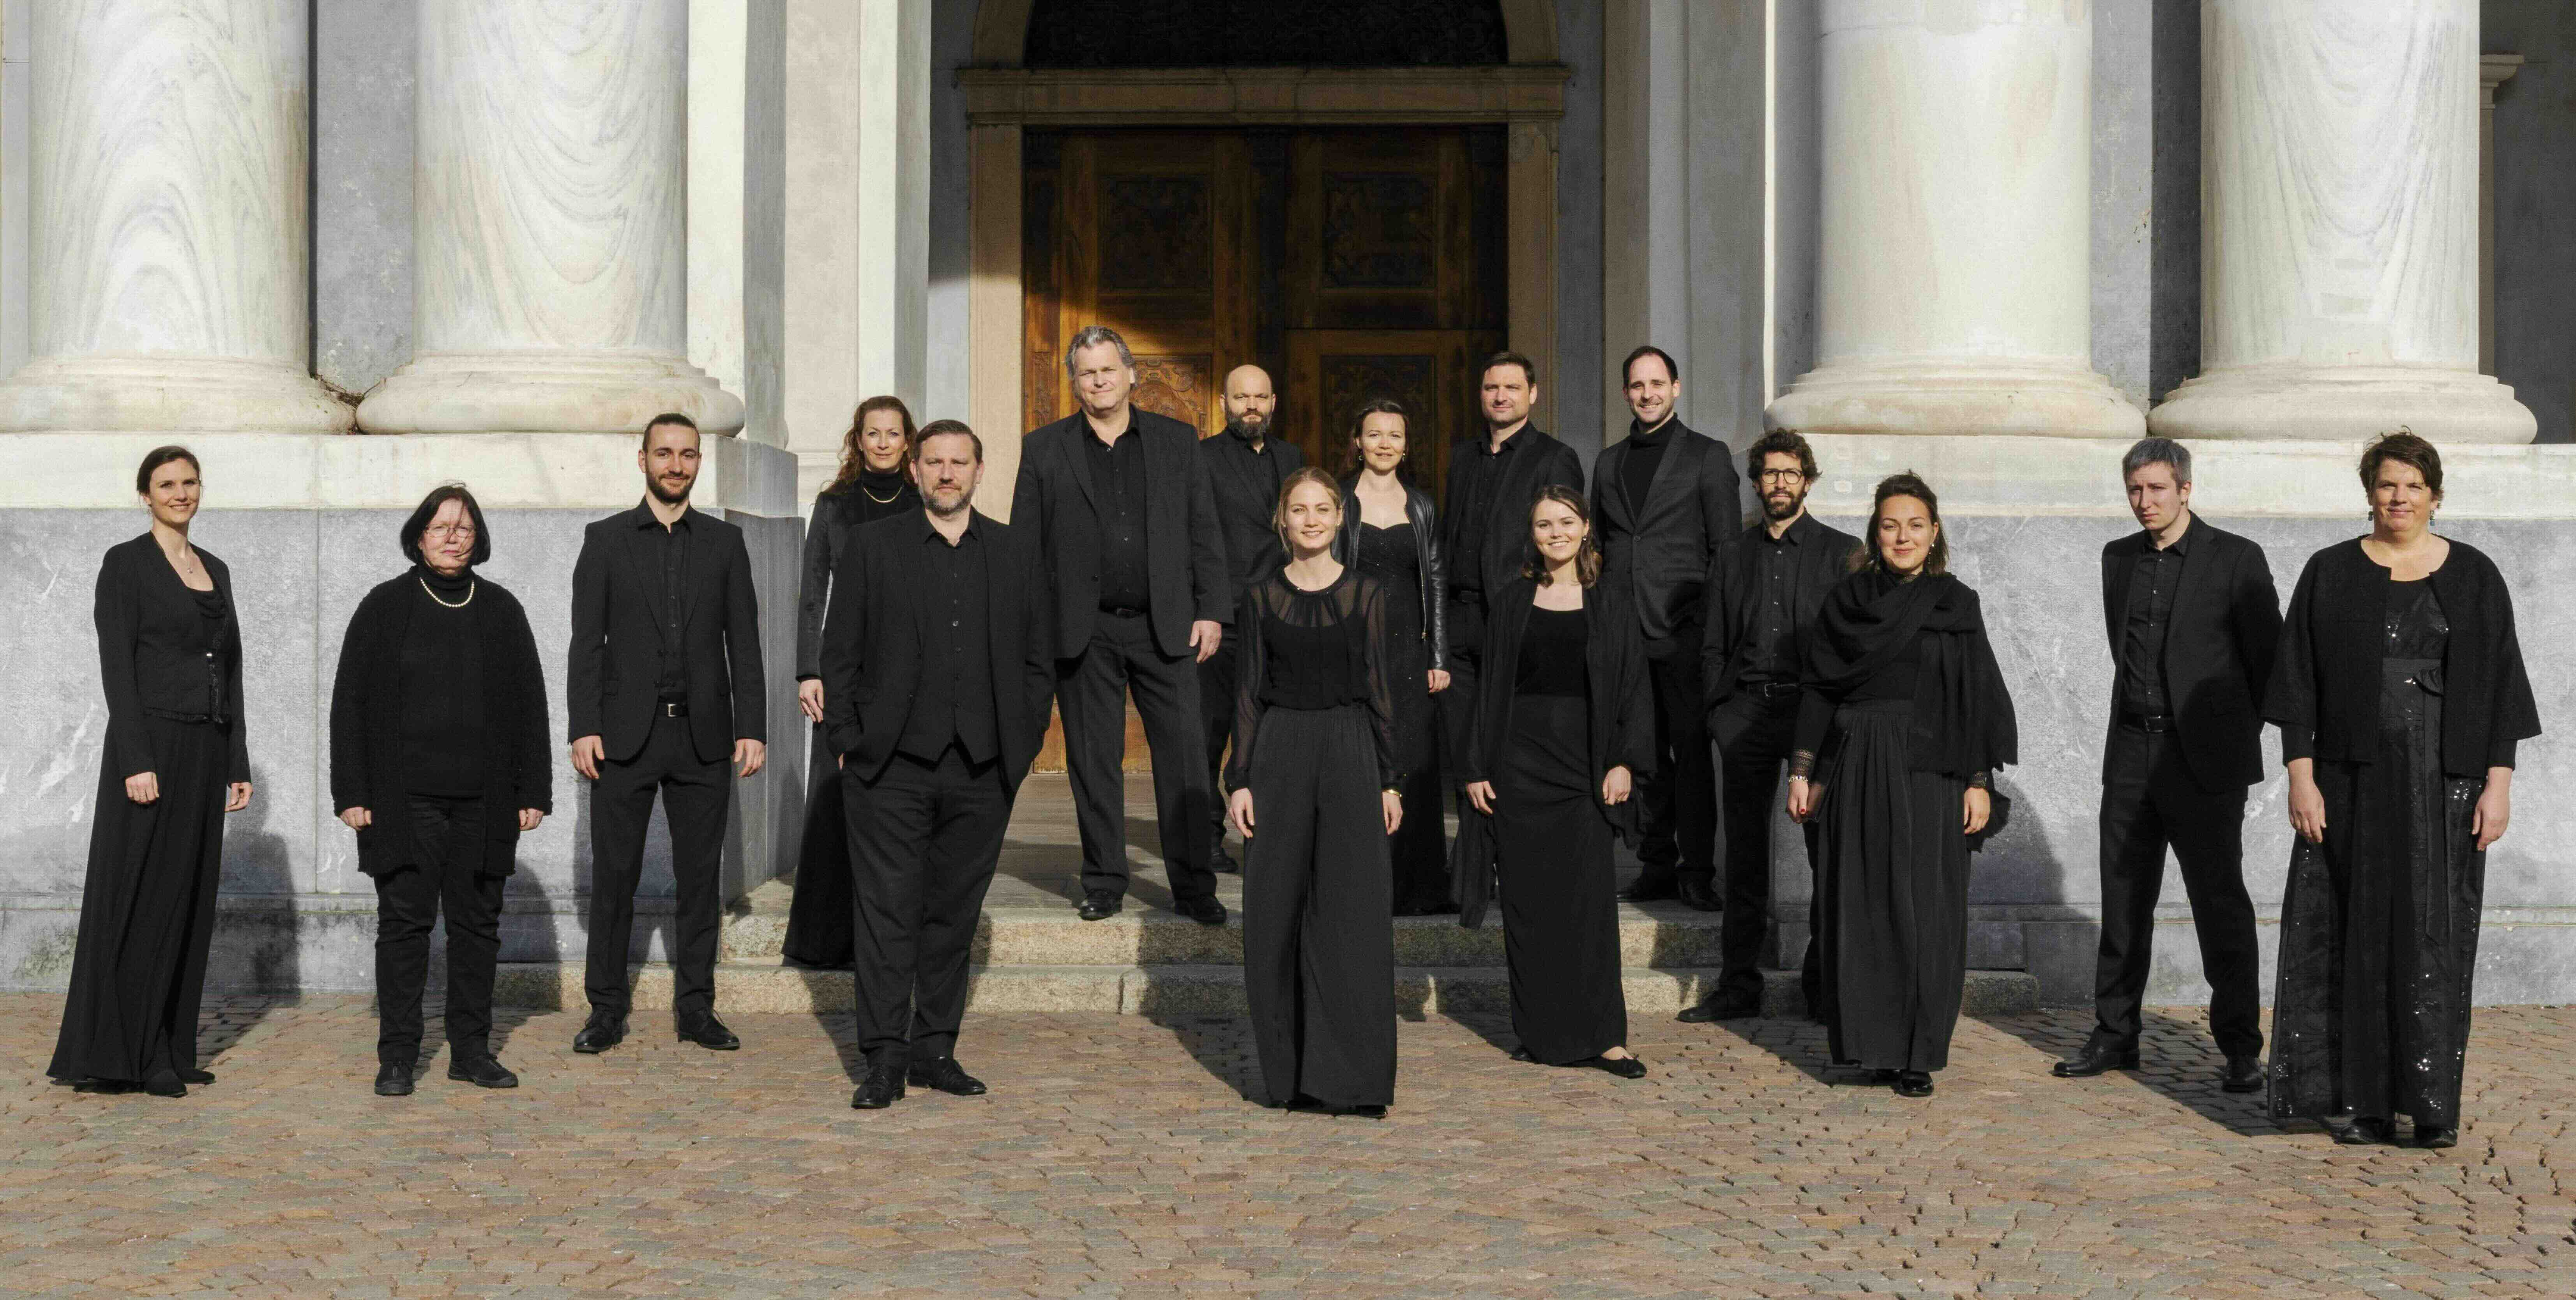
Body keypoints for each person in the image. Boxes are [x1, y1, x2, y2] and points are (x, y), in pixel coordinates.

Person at [2266, 432, 2537, 1150]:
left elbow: (2501, 689)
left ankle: (2433, 1103)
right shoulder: (2329, 572)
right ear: (2369, 494)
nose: (2399, 498)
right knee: (2355, 931)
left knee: (2435, 935)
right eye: (2388, 485)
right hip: (2350, 780)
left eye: (2413, 486)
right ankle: (2362, 1103)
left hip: (2447, 784)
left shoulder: (2475, 575)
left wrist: (2498, 786)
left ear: (2436, 495)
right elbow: (2298, 687)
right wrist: (2302, 778)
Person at [822, 421, 1053, 1111]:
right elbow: (840, 653)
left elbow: (1038, 660)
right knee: (887, 912)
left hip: (983, 769)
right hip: (888, 766)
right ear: (916, 472)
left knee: (953, 915)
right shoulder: (870, 546)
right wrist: (849, 740)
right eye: (935, 463)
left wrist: (1024, 742)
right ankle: (885, 1058)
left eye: (960, 463)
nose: (947, 474)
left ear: (981, 472)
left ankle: (936, 1049)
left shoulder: (1015, 552)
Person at [2053, 438, 2276, 1092]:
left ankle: (2240, 1047)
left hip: (2203, 760)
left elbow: (2270, 665)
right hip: (2129, 750)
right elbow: (2120, 648)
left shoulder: (2236, 558)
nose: (2144, 502)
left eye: (2156, 489)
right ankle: (2115, 1034)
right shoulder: (2117, 559)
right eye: (2134, 491)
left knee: (2219, 904)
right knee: (2123, 900)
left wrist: (2228, 739)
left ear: (2185, 489)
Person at [1788, 473, 2016, 1099]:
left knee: (1925, 909)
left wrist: (1977, 781)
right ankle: (1868, 1044)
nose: (1902, 536)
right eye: (1890, 525)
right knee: (1861, 903)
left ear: (1934, 532)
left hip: (1931, 767)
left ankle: (1916, 1052)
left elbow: (1973, 698)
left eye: (1915, 524)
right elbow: (1818, 688)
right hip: (1857, 762)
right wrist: (1802, 768)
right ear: (1874, 532)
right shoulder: (1845, 601)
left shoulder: (1955, 601)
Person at [329, 485, 553, 1097]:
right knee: (404, 925)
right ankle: (398, 1054)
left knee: (477, 927)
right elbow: (350, 701)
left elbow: (531, 703)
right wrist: (351, 790)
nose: (453, 536)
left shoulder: (502, 609)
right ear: (419, 535)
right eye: (440, 526)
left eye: (465, 527)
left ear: (477, 538)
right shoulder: (384, 606)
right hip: (406, 801)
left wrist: (533, 789)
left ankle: (472, 1050)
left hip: (484, 800)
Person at [48, 447, 253, 1099]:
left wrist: (236, 758)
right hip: (151, 748)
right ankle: (124, 1055)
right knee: (143, 895)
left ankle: (170, 1045)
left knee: (190, 895)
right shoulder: (126, 564)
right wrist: (136, 759)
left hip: (205, 747)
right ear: (145, 495)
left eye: (190, 482)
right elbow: (118, 667)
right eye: (167, 484)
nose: (181, 493)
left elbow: (232, 669)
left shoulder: (213, 568)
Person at [1011, 325, 1232, 925]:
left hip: (1169, 627)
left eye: (1109, 369)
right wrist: (1030, 630)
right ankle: (1104, 880)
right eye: (1087, 372)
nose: (1099, 380)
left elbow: (1203, 529)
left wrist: (1212, 608)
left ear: (1132, 374)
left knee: (1186, 758)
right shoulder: (1044, 448)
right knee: (1091, 758)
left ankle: (1194, 885)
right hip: (1083, 631)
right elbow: (1026, 549)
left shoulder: (1178, 440)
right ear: (1073, 382)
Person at [566, 413, 769, 1055]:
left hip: (704, 736)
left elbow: (747, 645)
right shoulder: (604, 541)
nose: (675, 465)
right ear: (643, 459)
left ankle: (697, 1010)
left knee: (700, 878)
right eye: (664, 454)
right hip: (625, 737)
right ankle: (605, 1010)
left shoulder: (724, 544)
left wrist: (754, 728)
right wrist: (583, 727)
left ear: (699, 462)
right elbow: (585, 646)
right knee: (616, 877)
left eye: (686, 455)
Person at [1458, 487, 1655, 1079]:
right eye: (1543, 524)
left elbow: (1633, 688)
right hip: (1519, 766)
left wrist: (1624, 760)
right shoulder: (1513, 598)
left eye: (1565, 522)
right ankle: (1541, 1032)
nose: (1554, 533)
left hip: (1584, 769)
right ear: (1532, 534)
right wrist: (1474, 766)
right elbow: (1490, 687)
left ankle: (1606, 1037)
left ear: (1585, 527)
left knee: (1588, 903)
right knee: (1528, 903)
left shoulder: (1611, 600)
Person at [1228, 469, 1405, 1115]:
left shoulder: (1368, 593)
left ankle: (1355, 1081)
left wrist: (1391, 777)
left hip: (1351, 750)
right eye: (1298, 510)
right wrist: (1239, 779)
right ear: (1283, 519)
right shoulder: (1258, 596)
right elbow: (1247, 692)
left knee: (1352, 910)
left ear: (1339, 518)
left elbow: (1382, 687)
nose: (1310, 519)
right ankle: (1293, 1077)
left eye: (1322, 509)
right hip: (1278, 753)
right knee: (1276, 912)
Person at [1680, 430, 1863, 1024]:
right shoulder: (1732, 554)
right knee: (1745, 859)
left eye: (1790, 472)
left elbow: (1852, 646)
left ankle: (1823, 985)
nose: (1779, 482)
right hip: (1746, 716)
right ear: (1756, 483)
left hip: (1816, 714)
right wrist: (1719, 716)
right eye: (1769, 473)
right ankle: (1738, 986)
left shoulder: (1843, 552)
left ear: (1807, 480)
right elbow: (1712, 645)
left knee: (1824, 853)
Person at [1591, 345, 1740, 910]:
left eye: (1657, 383)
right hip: (1624, 632)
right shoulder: (1607, 463)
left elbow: (1726, 553)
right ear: (1625, 392)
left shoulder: (1707, 456)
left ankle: (1697, 868)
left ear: (1676, 388)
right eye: (1636, 385)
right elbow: (1603, 545)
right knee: (1641, 752)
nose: (1647, 393)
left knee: (1691, 757)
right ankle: (1655, 862)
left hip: (1685, 633)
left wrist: (1712, 632)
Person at [783, 396, 921, 969]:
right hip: (843, 669)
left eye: (894, 433)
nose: (884, 442)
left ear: (908, 439)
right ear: (858, 440)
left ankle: (896, 940)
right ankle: (826, 939)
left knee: (902, 802)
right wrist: (808, 669)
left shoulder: (924, 499)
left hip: (912, 668)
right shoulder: (834, 504)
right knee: (834, 798)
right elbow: (813, 588)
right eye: (874, 433)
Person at [1437, 352, 1583, 815]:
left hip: (1515, 616)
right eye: (1491, 388)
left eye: (1512, 388)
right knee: (1463, 746)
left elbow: (1563, 542)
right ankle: (1472, 870)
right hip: (1458, 618)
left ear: (1532, 395)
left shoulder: (1555, 457)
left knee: (1506, 738)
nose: (1500, 396)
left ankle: (1513, 856)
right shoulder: (1462, 456)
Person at [1333, 399, 1452, 915]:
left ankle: (1418, 885)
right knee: (1360, 758)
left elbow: (1437, 579)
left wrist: (1439, 654)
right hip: (1354, 644)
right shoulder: (1336, 500)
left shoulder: (1421, 505)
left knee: (1414, 761)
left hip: (1410, 648)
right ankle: (1360, 881)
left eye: (1395, 435)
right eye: (1374, 433)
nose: (1384, 443)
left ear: (1407, 445)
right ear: (1357, 441)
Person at [1198, 365, 1306, 874]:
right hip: (1222, 618)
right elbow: (1194, 542)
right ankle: (1204, 839)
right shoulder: (1200, 458)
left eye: (1260, 396)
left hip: (1282, 617)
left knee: (1268, 731)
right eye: (1241, 396)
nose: (1251, 406)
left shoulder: (1292, 458)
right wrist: (1208, 610)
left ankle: (1267, 834)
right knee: (1209, 730)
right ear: (1224, 401)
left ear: (1273, 401)